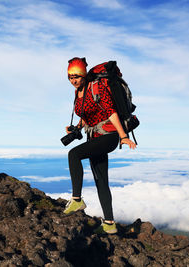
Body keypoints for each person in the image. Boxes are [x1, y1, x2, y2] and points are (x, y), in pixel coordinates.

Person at [63, 57, 136, 234]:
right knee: (101, 180)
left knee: (73, 155)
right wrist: (76, 128)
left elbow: (110, 112)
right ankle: (109, 223)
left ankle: (77, 199)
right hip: (93, 137)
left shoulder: (97, 87)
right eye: (70, 77)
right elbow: (87, 114)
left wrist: (123, 136)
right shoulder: (78, 91)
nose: (74, 80)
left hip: (108, 136)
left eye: (77, 76)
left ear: (84, 75)